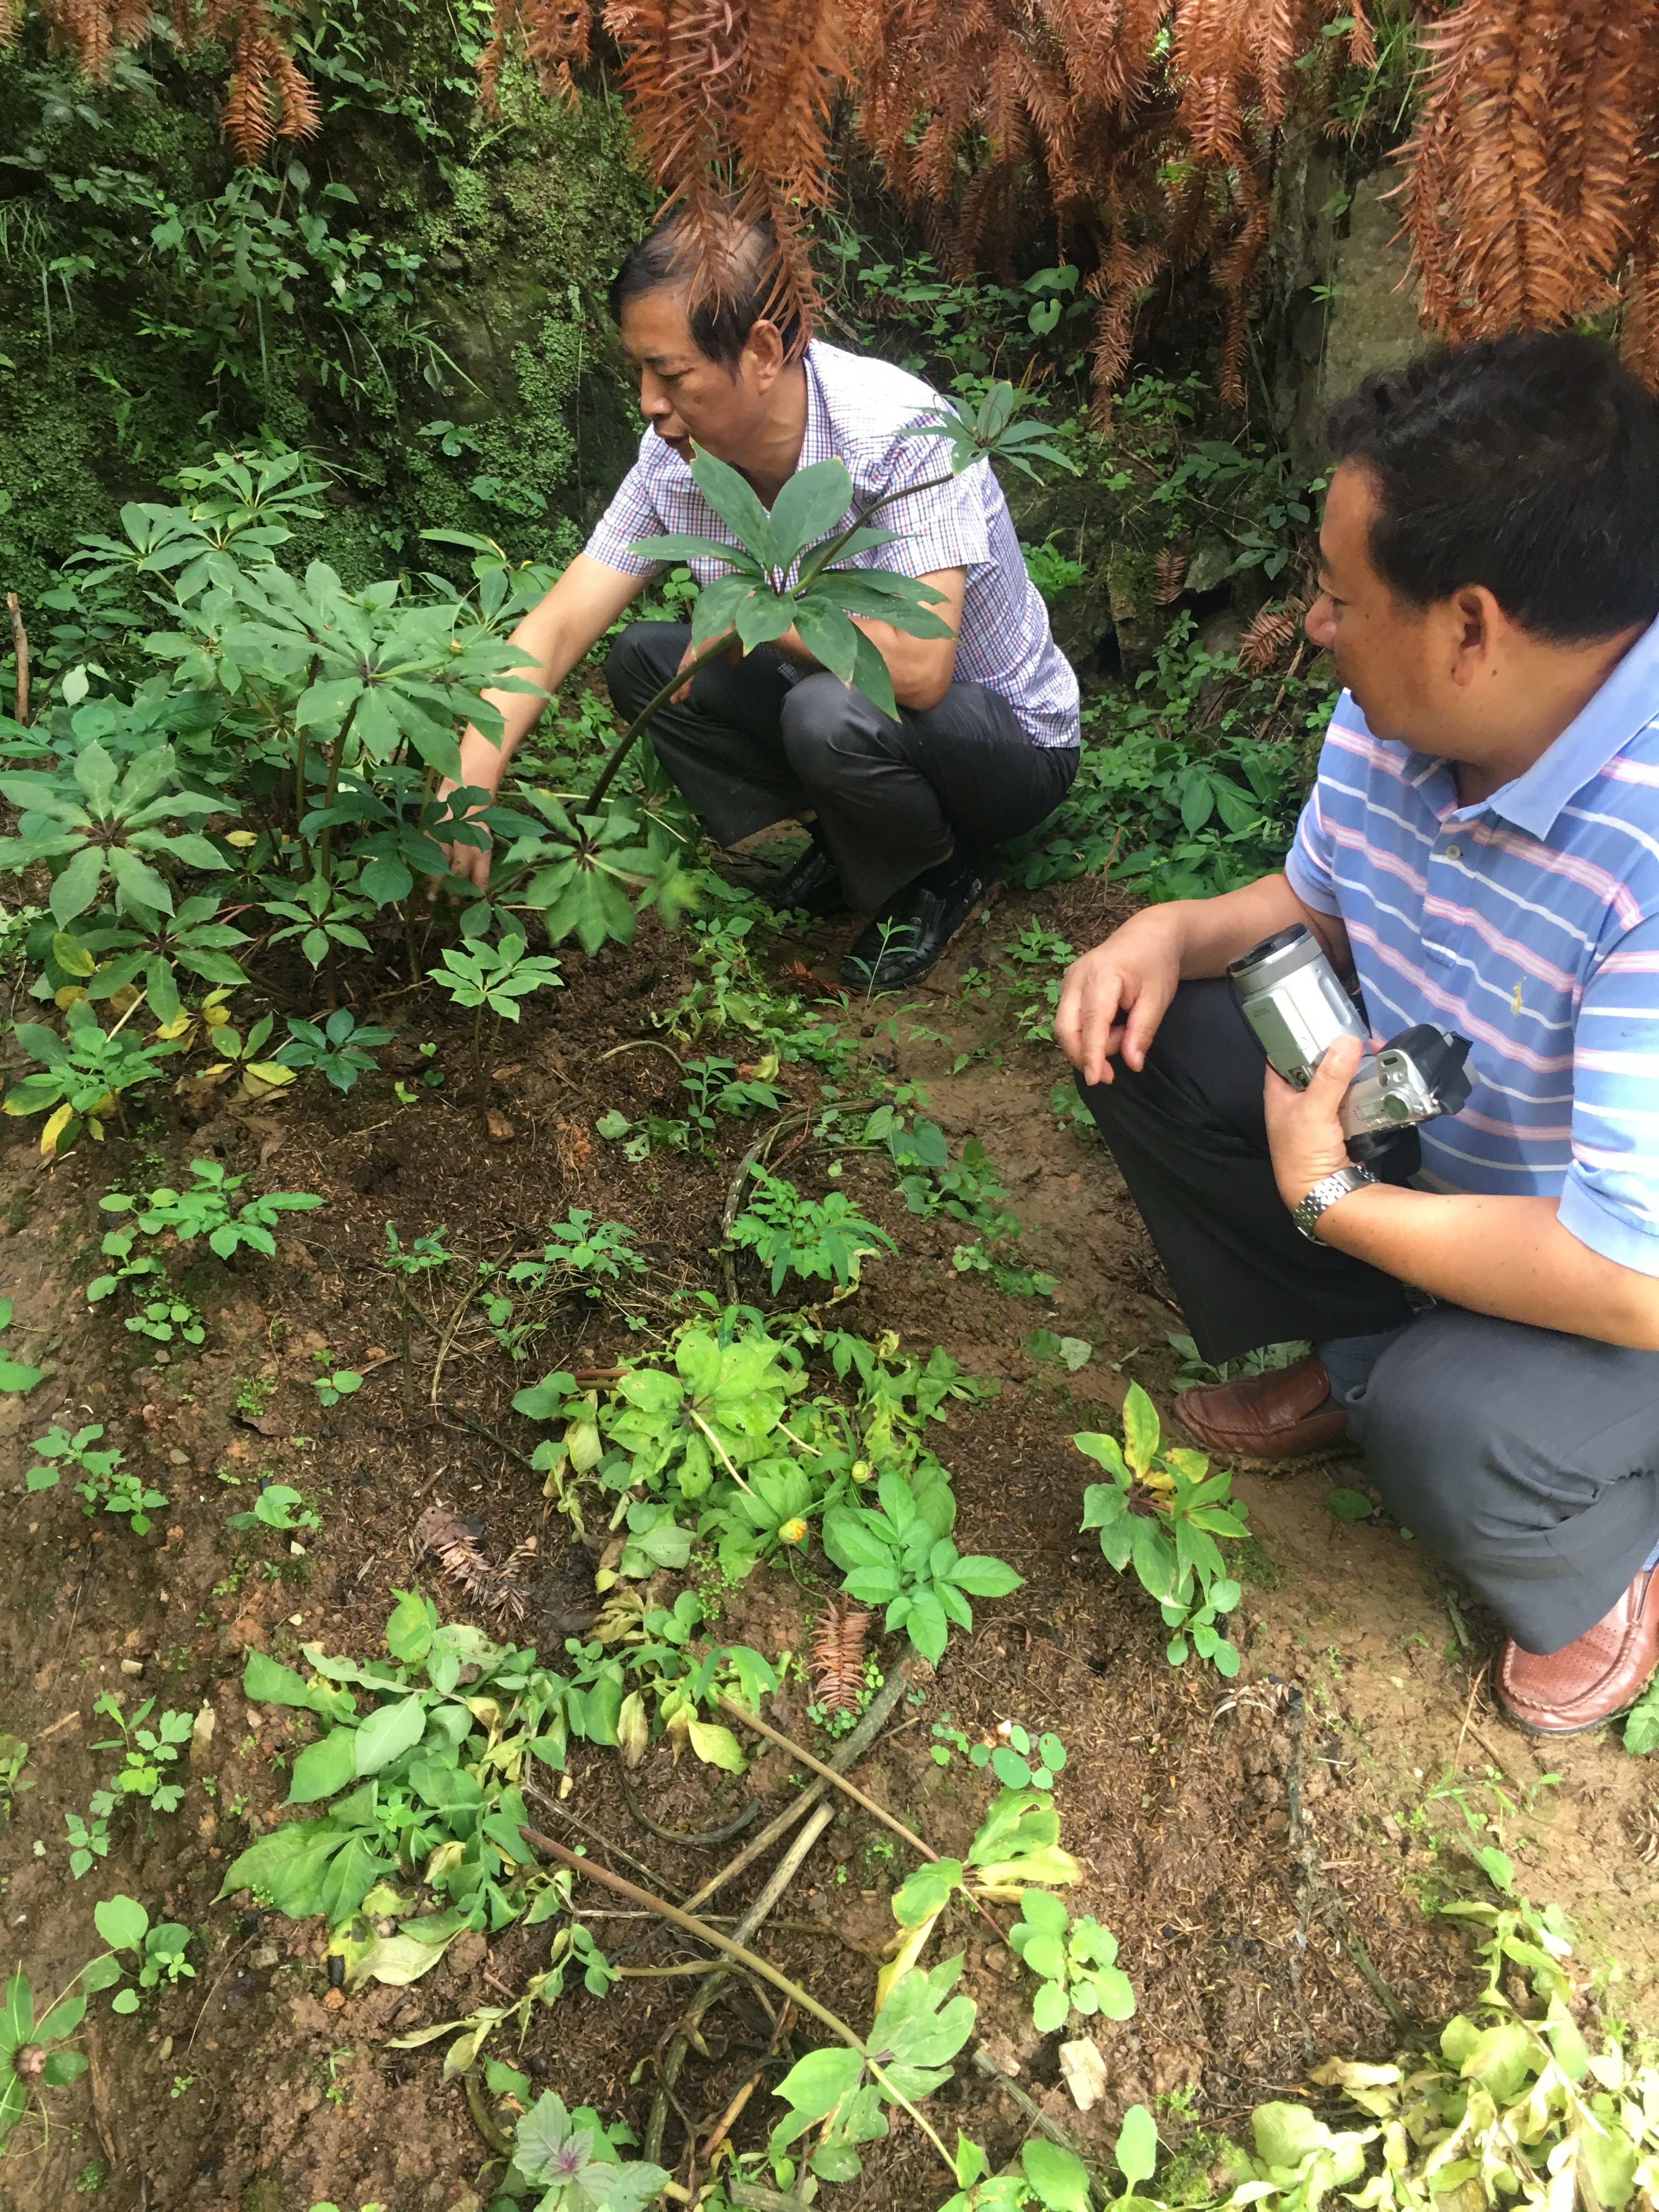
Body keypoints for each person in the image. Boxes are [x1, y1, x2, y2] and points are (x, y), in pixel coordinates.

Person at [1054, 331, 1659, 1739]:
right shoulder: (1402, 718)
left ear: (1471, 626)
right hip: (1461, 1158)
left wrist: (1330, 1199)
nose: (1317, 625)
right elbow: (1315, 907)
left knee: (1453, 1435)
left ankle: (1603, 1555)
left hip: (1623, 1266)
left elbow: (1636, 1277)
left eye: (1337, 597)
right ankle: (1385, 1339)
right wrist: (1169, 929)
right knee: (1159, 1039)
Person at [439, 213, 1081, 987]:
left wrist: (760, 625)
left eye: (671, 376)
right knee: (649, 661)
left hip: (1005, 745)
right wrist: (471, 769)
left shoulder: (900, 434)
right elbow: (565, 617)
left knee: (827, 710)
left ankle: (934, 872)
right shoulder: (674, 455)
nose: (648, 402)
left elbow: (918, 669)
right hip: (854, 716)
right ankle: (845, 838)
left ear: (764, 353)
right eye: (638, 372)